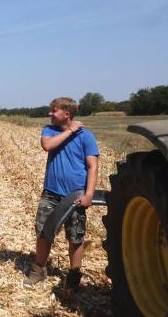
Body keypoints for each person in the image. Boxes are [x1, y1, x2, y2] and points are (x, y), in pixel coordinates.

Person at [24, 97, 99, 290]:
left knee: (75, 236)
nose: (50, 114)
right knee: (43, 232)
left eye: (54, 111)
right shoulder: (49, 131)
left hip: (75, 195)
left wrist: (89, 194)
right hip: (51, 192)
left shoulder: (86, 136)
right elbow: (47, 146)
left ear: (67, 114)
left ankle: (74, 274)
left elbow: (92, 165)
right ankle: (39, 269)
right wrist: (70, 130)